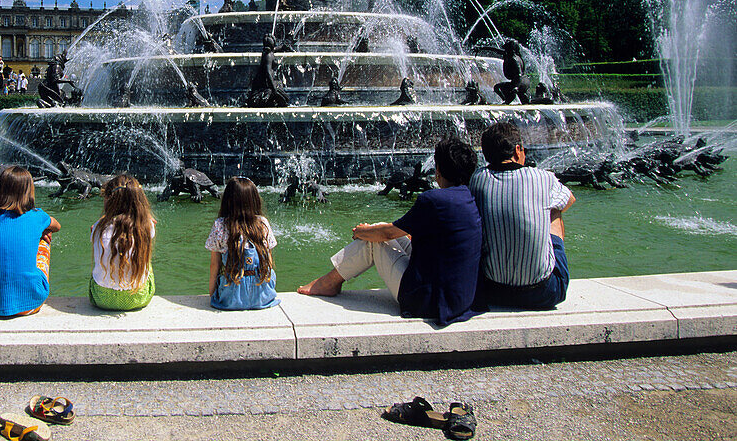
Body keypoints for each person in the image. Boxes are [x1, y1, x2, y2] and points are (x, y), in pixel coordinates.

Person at [298, 136, 483, 326]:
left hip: (428, 301)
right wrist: (372, 230)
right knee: (378, 229)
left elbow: (387, 234)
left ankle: (328, 283)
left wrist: (362, 232)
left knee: (374, 241)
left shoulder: (434, 200)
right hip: (461, 297)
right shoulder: (470, 196)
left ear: (438, 171)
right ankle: (332, 279)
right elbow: (408, 233)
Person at [469, 122, 575, 309]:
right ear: (518, 150)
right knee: (554, 210)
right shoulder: (544, 178)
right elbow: (569, 200)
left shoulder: (477, 179)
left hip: (492, 292)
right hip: (544, 293)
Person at [0, 166, 61, 317]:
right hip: (30, 303)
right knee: (44, 240)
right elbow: (57, 226)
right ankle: (32, 289)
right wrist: (42, 230)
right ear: (29, 191)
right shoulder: (37, 217)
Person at [206, 177, 279, 311]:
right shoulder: (262, 223)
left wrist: (212, 293)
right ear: (255, 200)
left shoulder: (220, 225)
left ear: (227, 200)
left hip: (231, 297)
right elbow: (269, 260)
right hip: (262, 296)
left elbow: (214, 265)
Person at [89, 174, 156, 311]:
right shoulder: (147, 227)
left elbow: (97, 229)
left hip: (101, 298)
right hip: (138, 297)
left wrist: (105, 218)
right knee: (143, 251)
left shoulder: (97, 227)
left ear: (109, 200)